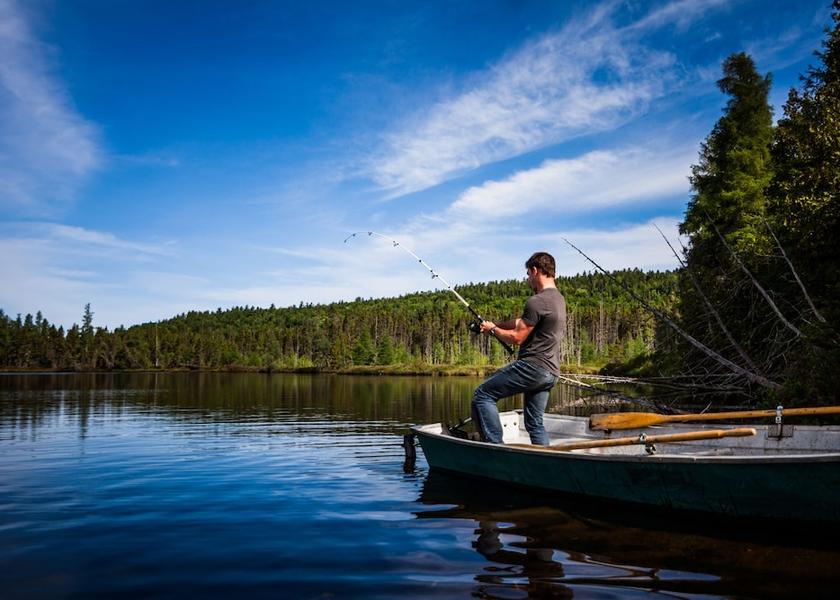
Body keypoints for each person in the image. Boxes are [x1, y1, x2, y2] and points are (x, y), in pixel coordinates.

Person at [472, 252, 566, 445]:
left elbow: (517, 337)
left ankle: (494, 448)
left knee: (483, 395)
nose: (528, 279)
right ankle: (545, 460)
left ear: (534, 270)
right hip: (550, 372)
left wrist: (494, 330)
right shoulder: (558, 299)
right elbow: (522, 323)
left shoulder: (537, 301)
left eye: (528, 274)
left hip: (533, 367)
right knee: (534, 423)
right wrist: (494, 324)